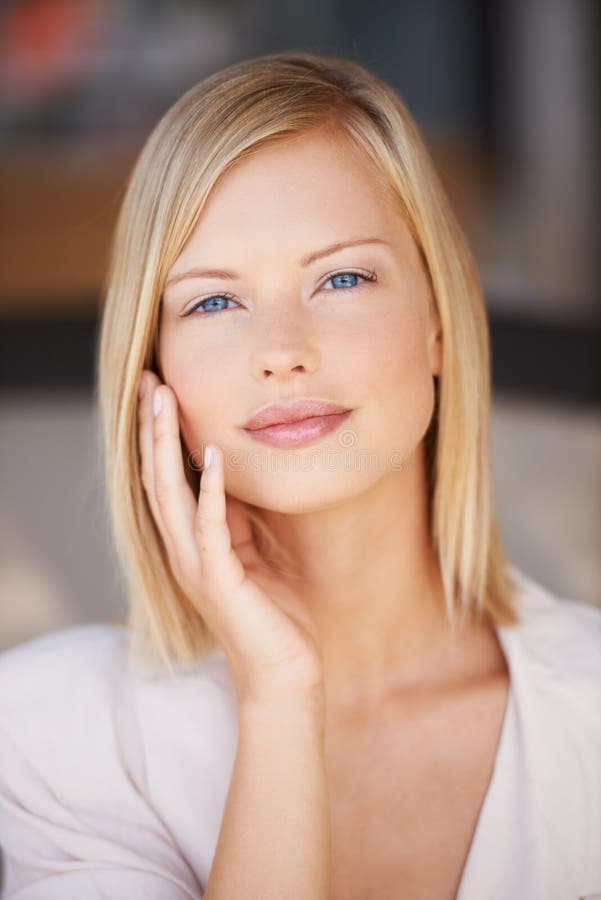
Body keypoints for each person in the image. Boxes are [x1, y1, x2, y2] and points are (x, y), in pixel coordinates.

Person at [0, 51, 599, 900]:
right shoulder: (50, 731)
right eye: (213, 301)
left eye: (342, 277)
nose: (281, 350)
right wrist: (280, 698)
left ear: (437, 322)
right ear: (153, 365)